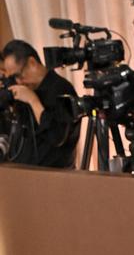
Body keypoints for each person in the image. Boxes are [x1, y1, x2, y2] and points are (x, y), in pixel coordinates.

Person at [1, 39, 79, 167]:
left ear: (32, 63)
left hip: (53, 177)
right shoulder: (25, 88)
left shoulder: (61, 89)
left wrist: (33, 101)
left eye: (18, 75)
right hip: (22, 174)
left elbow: (56, 137)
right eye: (13, 78)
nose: (18, 82)